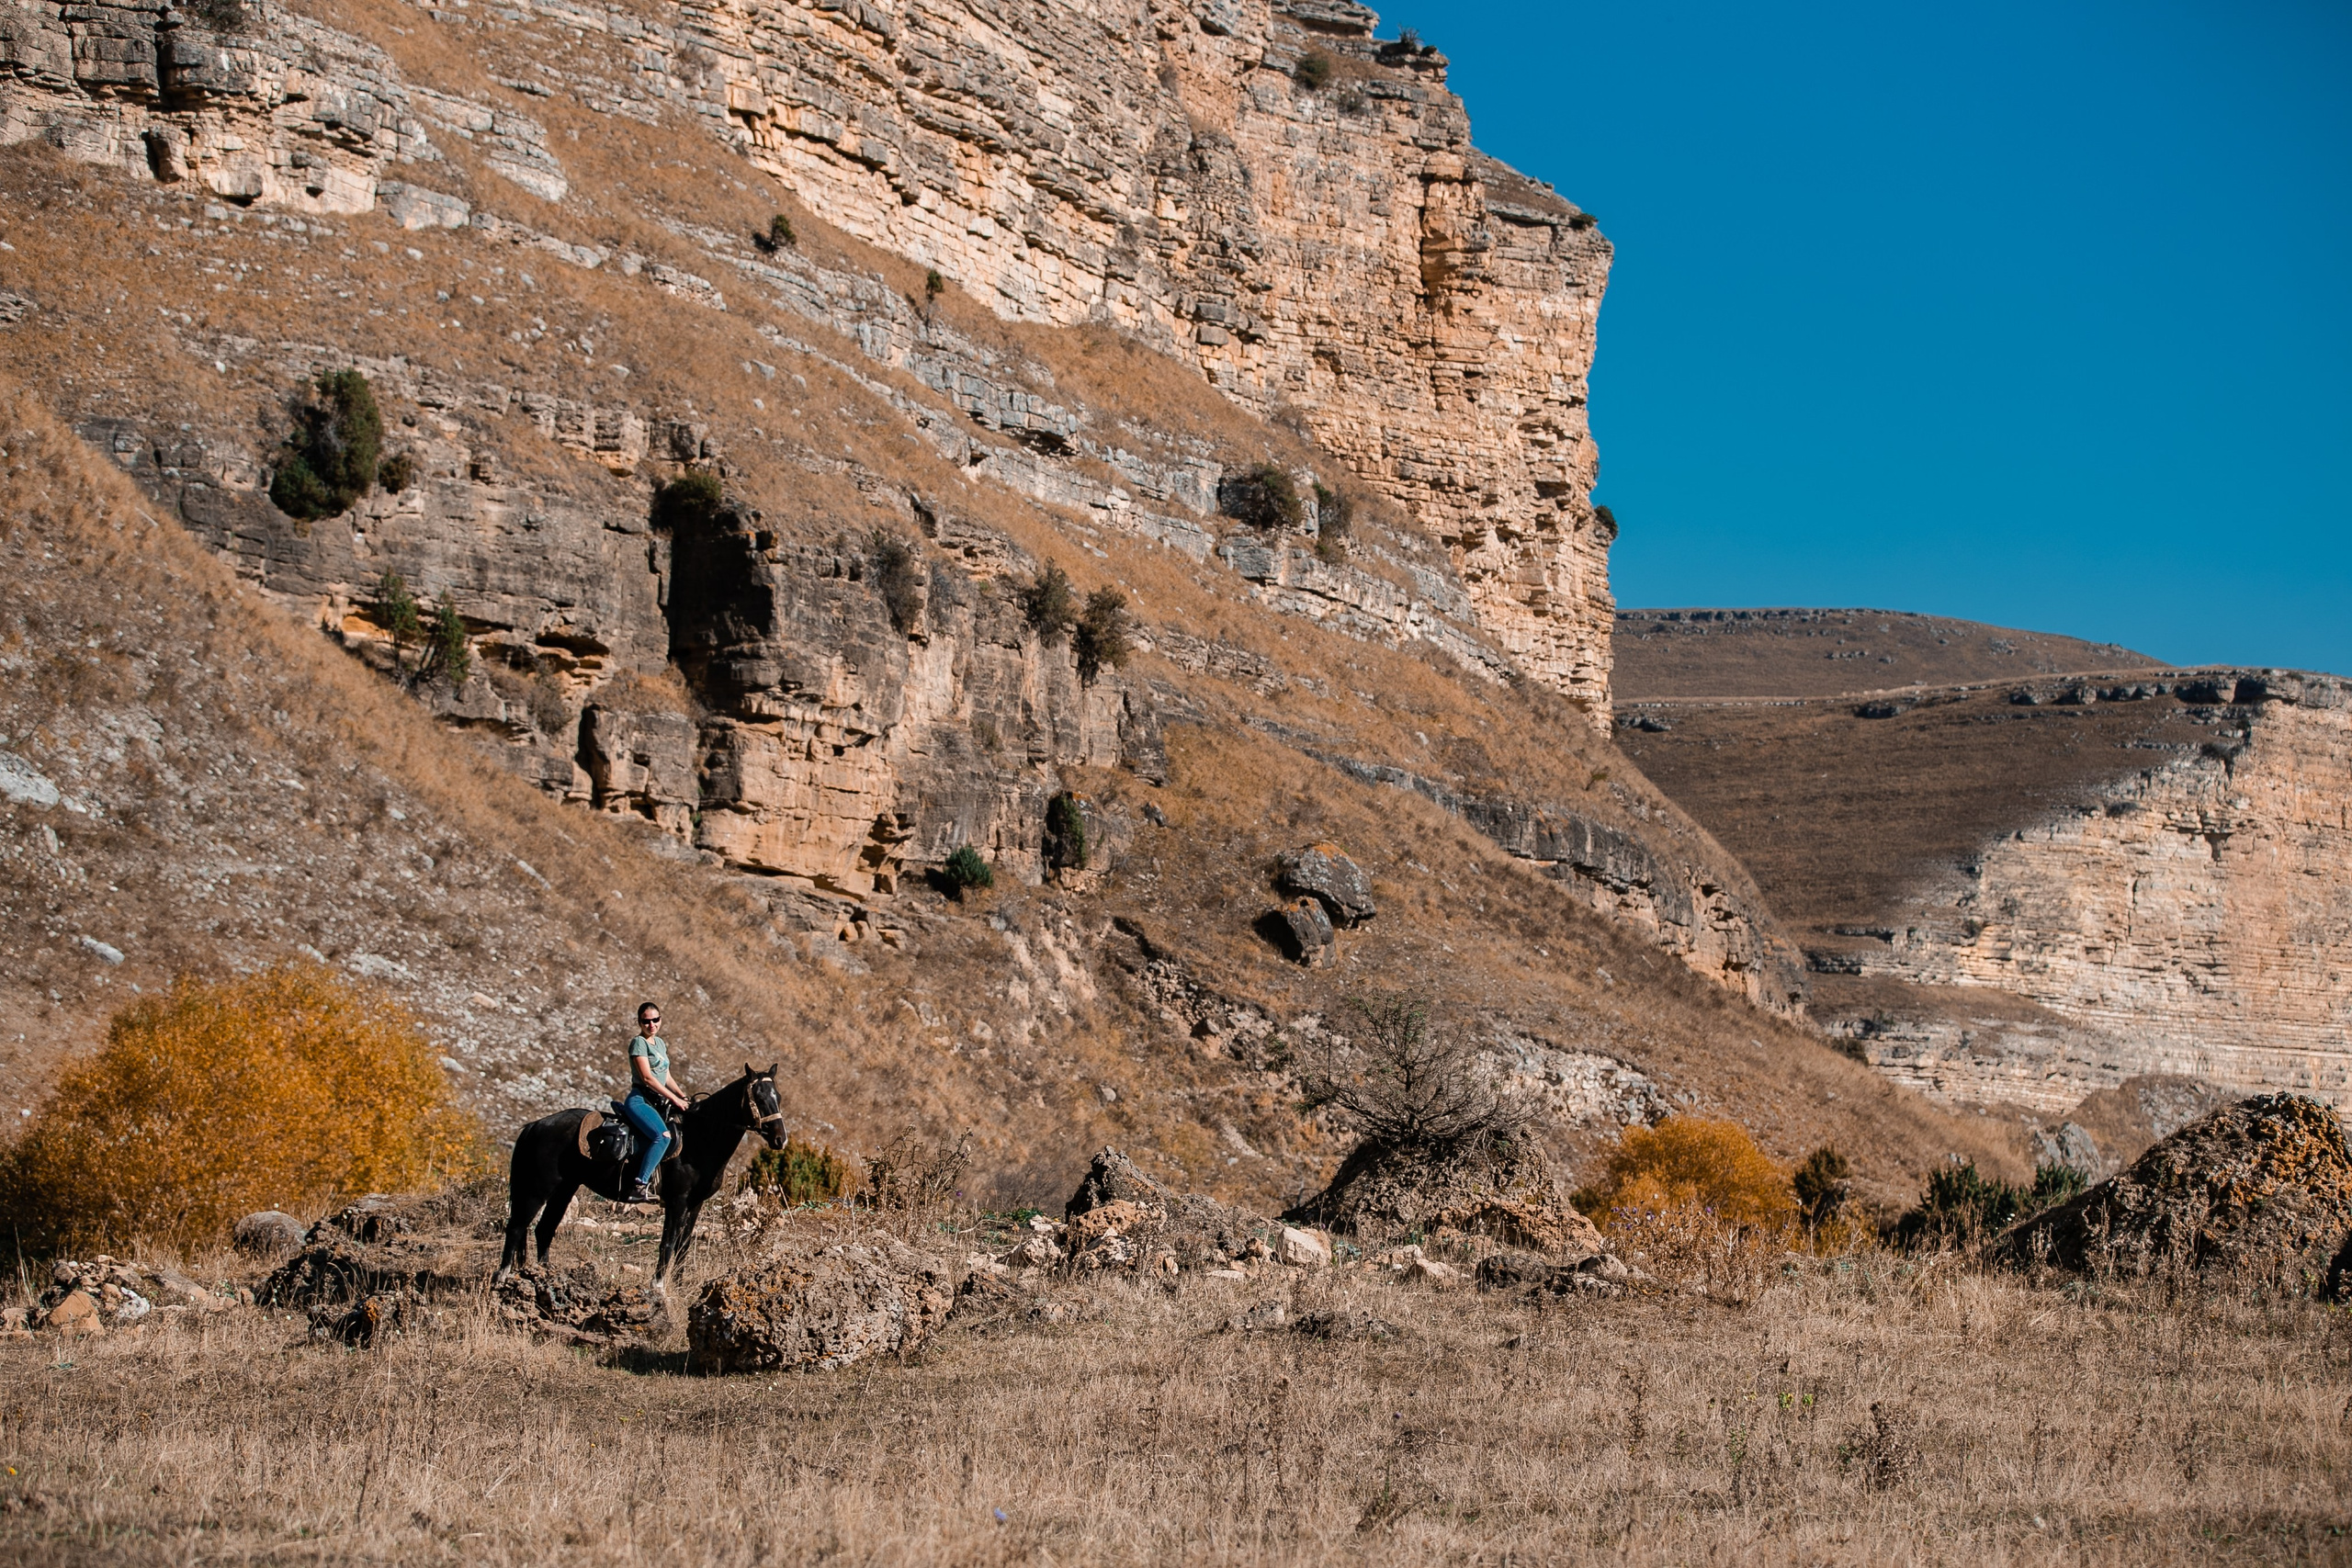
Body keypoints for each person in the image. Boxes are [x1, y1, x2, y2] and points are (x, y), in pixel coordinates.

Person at [618, 1002, 688, 1202]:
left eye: (655, 1020)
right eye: (646, 1021)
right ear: (639, 1022)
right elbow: (648, 1078)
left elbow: (665, 1075)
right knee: (663, 1136)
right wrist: (673, 1098)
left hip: (658, 1101)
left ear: (660, 1020)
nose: (651, 1025)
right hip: (641, 1099)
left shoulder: (660, 1043)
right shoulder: (638, 1043)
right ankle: (639, 1185)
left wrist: (682, 1096)